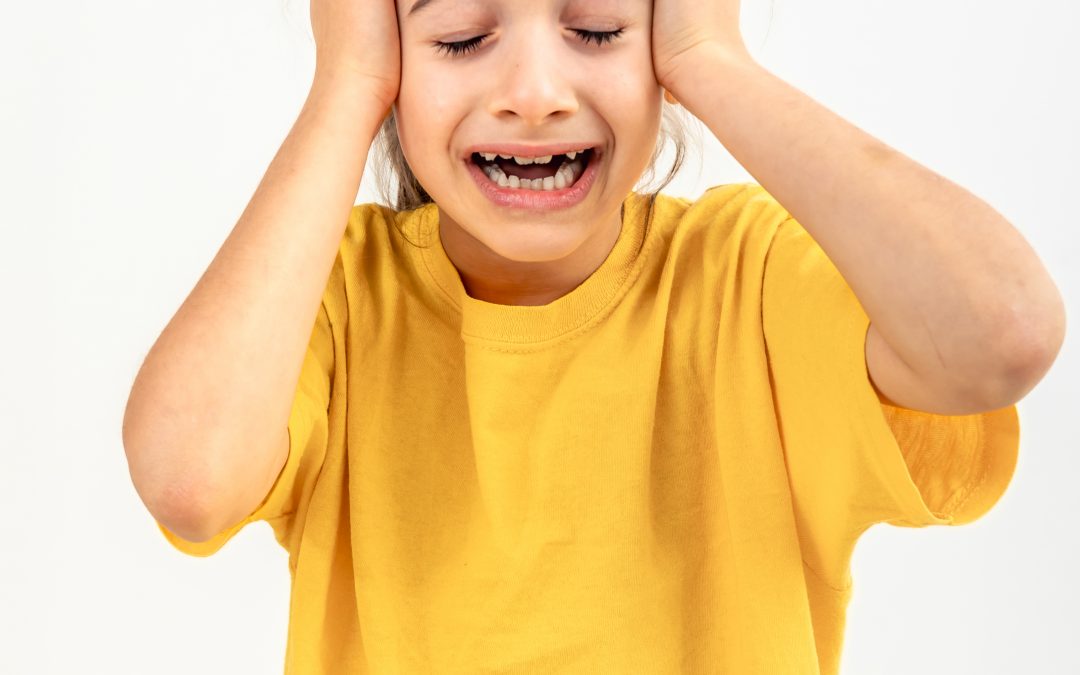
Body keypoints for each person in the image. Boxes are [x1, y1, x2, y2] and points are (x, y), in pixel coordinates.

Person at [122, 0, 1065, 672]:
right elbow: (190, 482)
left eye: (599, 31)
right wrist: (347, 84)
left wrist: (713, 61)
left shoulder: (748, 278)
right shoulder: (333, 303)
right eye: (459, 37)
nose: (535, 93)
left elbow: (1003, 333)